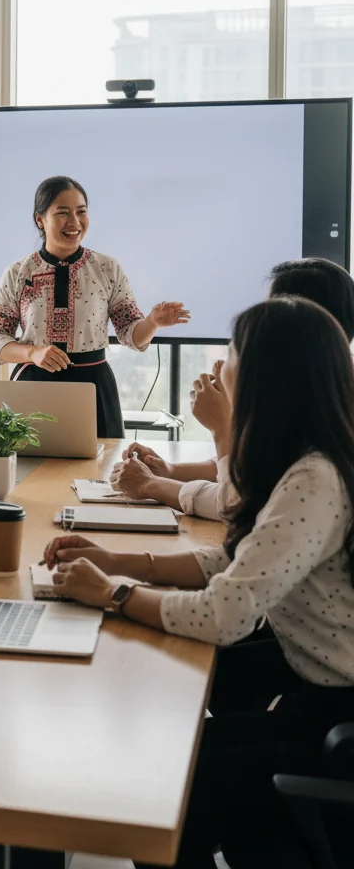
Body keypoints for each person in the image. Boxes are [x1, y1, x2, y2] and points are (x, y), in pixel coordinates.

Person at [45, 296, 354, 868]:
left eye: (233, 350)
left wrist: (111, 593)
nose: (220, 362)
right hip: (320, 702)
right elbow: (236, 561)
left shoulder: (315, 478)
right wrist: (119, 561)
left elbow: (224, 614)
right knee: (171, 759)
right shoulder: (301, 459)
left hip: (337, 721)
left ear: (267, 374)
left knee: (161, 788)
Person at [113, 256, 354, 517]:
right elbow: (253, 466)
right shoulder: (313, 381)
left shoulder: (326, 399)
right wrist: (170, 470)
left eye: (272, 308)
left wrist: (221, 429)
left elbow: (235, 504)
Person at [0, 175, 189, 438]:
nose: (75, 222)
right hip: (33, 385)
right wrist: (33, 353)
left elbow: (130, 333)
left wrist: (152, 322)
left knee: (100, 472)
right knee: (30, 471)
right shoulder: (18, 272)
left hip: (94, 387)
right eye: (62, 213)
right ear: (40, 220)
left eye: (81, 212)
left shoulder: (107, 268)